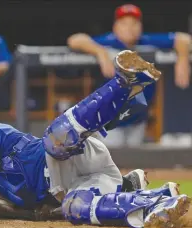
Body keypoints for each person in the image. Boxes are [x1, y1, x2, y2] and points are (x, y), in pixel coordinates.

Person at [0, 51, 190, 228]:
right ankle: (155, 202)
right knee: (75, 209)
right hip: (75, 182)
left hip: (68, 157)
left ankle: (125, 85)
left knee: (55, 139)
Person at [67, 4, 191, 147]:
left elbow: (183, 38)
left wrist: (182, 58)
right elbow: (75, 40)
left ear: (140, 26)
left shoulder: (146, 41)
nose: (130, 28)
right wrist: (99, 52)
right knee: (111, 162)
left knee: (133, 163)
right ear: (116, 26)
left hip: (137, 119)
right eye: (124, 23)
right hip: (108, 122)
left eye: (134, 23)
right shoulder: (108, 42)